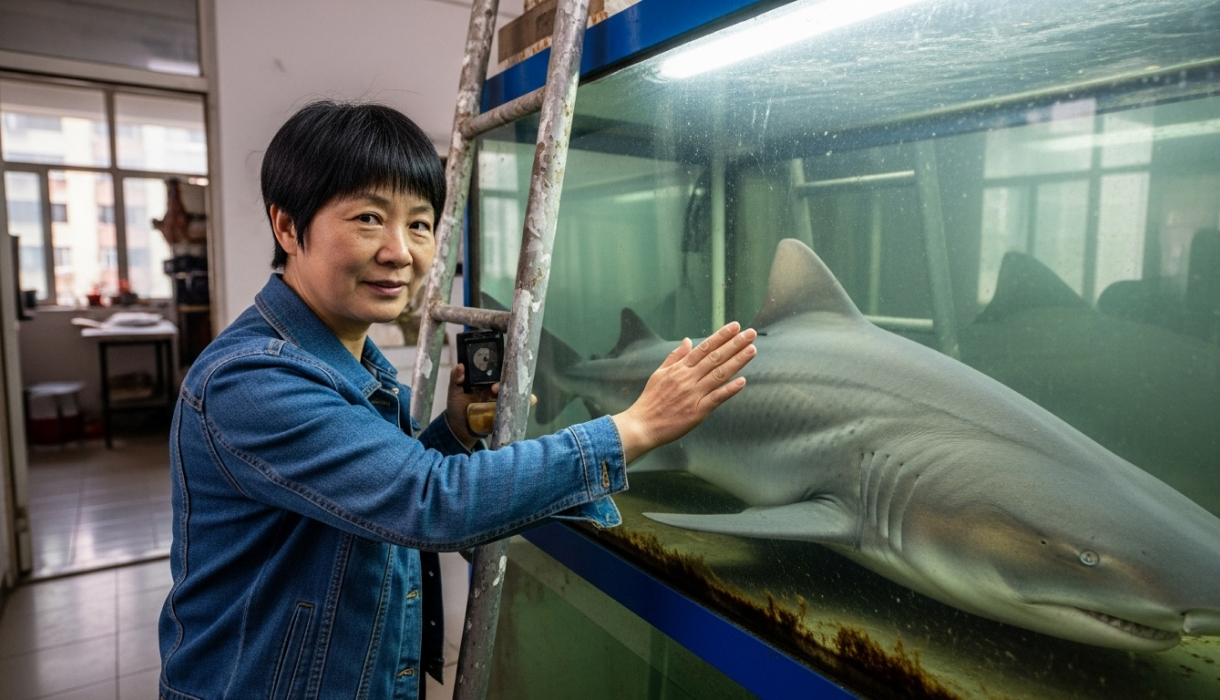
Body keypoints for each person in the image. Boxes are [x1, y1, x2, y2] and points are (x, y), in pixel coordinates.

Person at [157, 100, 757, 700]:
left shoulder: (351, 362)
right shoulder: (252, 379)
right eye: (368, 218)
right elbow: (426, 502)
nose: (400, 251)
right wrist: (637, 427)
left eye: (420, 224)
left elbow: (369, 495)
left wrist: (453, 431)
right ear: (288, 227)